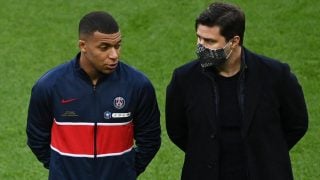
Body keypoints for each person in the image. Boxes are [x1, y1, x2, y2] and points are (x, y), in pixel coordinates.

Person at [166, 2, 308, 180]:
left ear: (234, 41)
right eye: (199, 38)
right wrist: (206, 153)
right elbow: (177, 130)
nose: (200, 46)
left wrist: (268, 154)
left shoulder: (276, 75)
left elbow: (297, 124)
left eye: (209, 41)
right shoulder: (184, 79)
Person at [27, 11, 161, 180]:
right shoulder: (50, 86)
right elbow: (36, 137)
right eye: (104, 48)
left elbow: (150, 138)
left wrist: (126, 171)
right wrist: (61, 170)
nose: (114, 55)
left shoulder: (138, 85)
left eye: (117, 46)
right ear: (83, 45)